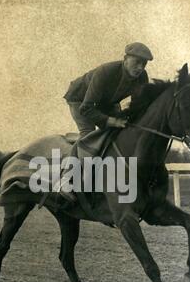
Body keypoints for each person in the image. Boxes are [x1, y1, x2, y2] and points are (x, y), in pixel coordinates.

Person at [56, 42, 154, 203]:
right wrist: (111, 121)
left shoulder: (142, 77)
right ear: (125, 59)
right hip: (80, 100)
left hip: (105, 102)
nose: (140, 67)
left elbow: (139, 106)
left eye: (144, 64)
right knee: (89, 136)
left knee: (119, 133)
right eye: (137, 62)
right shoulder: (105, 72)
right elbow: (86, 109)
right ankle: (66, 180)